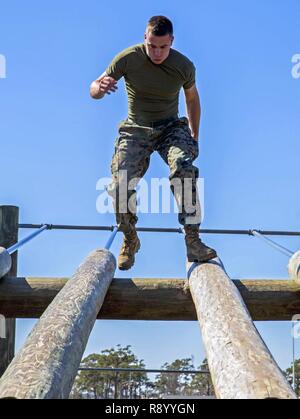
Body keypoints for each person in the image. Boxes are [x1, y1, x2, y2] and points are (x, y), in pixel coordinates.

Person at [90, 15, 217, 270]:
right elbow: (93, 90)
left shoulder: (183, 66)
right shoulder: (128, 58)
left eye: (163, 47)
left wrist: (194, 134)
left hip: (170, 127)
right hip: (135, 129)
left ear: (171, 41)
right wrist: (100, 87)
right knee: (120, 184)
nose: (157, 52)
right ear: (145, 39)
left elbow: (192, 99)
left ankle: (193, 240)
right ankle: (130, 238)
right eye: (152, 46)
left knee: (183, 166)